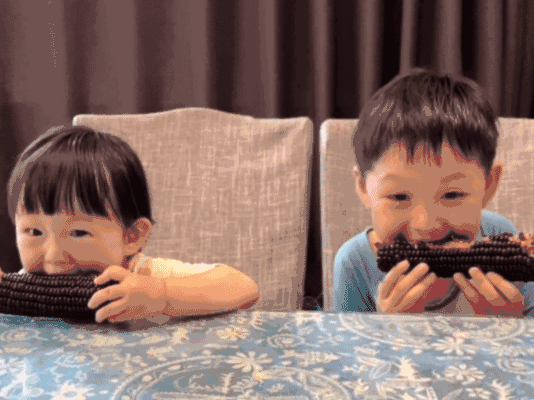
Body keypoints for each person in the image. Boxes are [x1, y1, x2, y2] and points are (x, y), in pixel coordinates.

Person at [6, 126, 260, 323]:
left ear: (131, 237)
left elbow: (243, 287)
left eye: (79, 232)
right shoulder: (26, 280)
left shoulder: (145, 276)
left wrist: (162, 296)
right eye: (34, 231)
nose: (54, 258)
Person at [333, 68, 534, 317]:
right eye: (399, 197)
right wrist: (386, 328)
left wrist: (512, 323)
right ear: (364, 188)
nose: (426, 225)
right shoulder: (355, 263)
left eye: (452, 195)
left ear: (489, 185)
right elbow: (347, 341)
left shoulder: (501, 233)